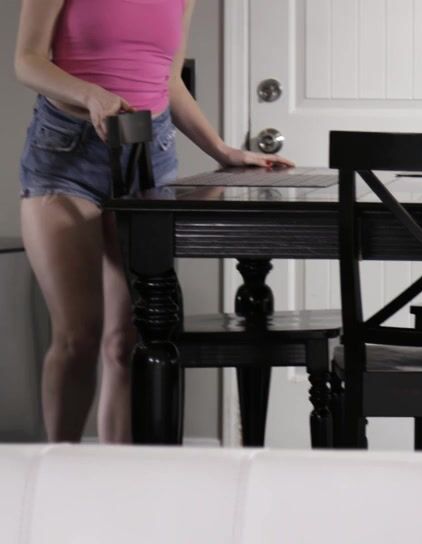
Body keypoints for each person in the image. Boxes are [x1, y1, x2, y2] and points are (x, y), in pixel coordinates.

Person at [13, 0, 293, 443]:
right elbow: (27, 61)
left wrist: (222, 150)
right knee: (78, 336)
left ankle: (120, 476)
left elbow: (169, 80)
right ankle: (58, 471)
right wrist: (90, 94)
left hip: (149, 156)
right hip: (67, 154)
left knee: (126, 342)